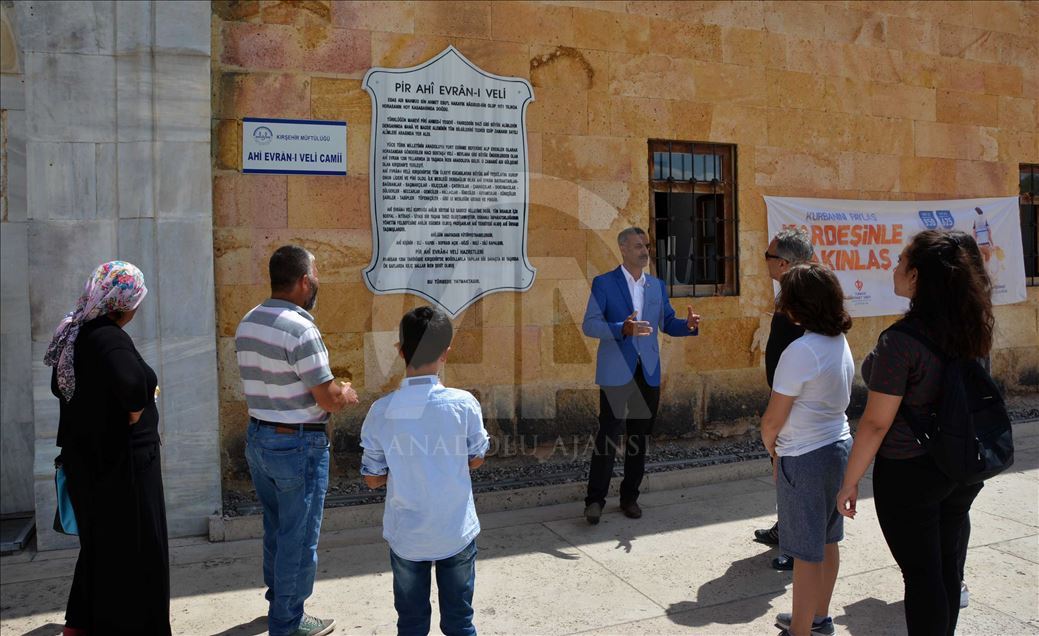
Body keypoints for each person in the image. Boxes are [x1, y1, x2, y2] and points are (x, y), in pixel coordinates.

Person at [837, 230, 993, 636]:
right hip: (961, 464)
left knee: (923, 577)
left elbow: (875, 422)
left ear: (919, 276)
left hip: (910, 471)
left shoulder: (900, 342)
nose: (894, 266)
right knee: (945, 569)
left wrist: (849, 481)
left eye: (902, 260)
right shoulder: (973, 325)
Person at [235, 245, 358, 636]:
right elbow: (326, 397)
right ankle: (288, 621)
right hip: (297, 445)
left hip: (260, 438)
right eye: (316, 273)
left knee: (277, 529)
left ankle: (279, 605)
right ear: (304, 280)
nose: (318, 280)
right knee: (299, 538)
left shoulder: (249, 320)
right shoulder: (301, 328)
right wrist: (346, 393)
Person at [45, 260, 171, 636]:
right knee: (139, 553)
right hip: (124, 467)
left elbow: (61, 388)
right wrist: (135, 412)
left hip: (91, 463)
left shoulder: (76, 332)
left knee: (102, 550)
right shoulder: (107, 337)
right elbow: (133, 385)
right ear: (125, 302)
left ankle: (81, 625)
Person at [360, 306, 490, 636]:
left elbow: (372, 479)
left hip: (407, 536)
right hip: (455, 530)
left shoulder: (381, 411)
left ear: (400, 351)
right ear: (446, 354)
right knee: (461, 622)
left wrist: (403, 469)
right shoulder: (464, 404)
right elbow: (477, 457)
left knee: (412, 623)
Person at [581, 227, 701, 524]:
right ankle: (594, 500)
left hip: (647, 373)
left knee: (639, 438)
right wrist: (623, 327)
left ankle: (629, 497)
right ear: (622, 249)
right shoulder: (605, 283)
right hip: (615, 373)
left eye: (646, 245)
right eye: (638, 246)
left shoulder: (657, 286)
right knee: (608, 437)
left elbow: (667, 322)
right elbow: (590, 324)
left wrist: (686, 325)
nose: (645, 251)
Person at [760, 263, 854, 636]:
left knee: (803, 553)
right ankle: (818, 617)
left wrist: (773, 451)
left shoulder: (800, 351)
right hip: (837, 448)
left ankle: (800, 630)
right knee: (828, 541)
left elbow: (772, 420)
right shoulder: (838, 341)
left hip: (803, 457)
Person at [754, 228, 815, 572]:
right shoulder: (790, 294)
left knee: (794, 473)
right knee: (783, 470)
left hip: (796, 402)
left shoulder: (803, 300)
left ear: (783, 263)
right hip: (786, 396)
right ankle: (786, 529)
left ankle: (797, 546)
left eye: (768, 257)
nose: (765, 263)